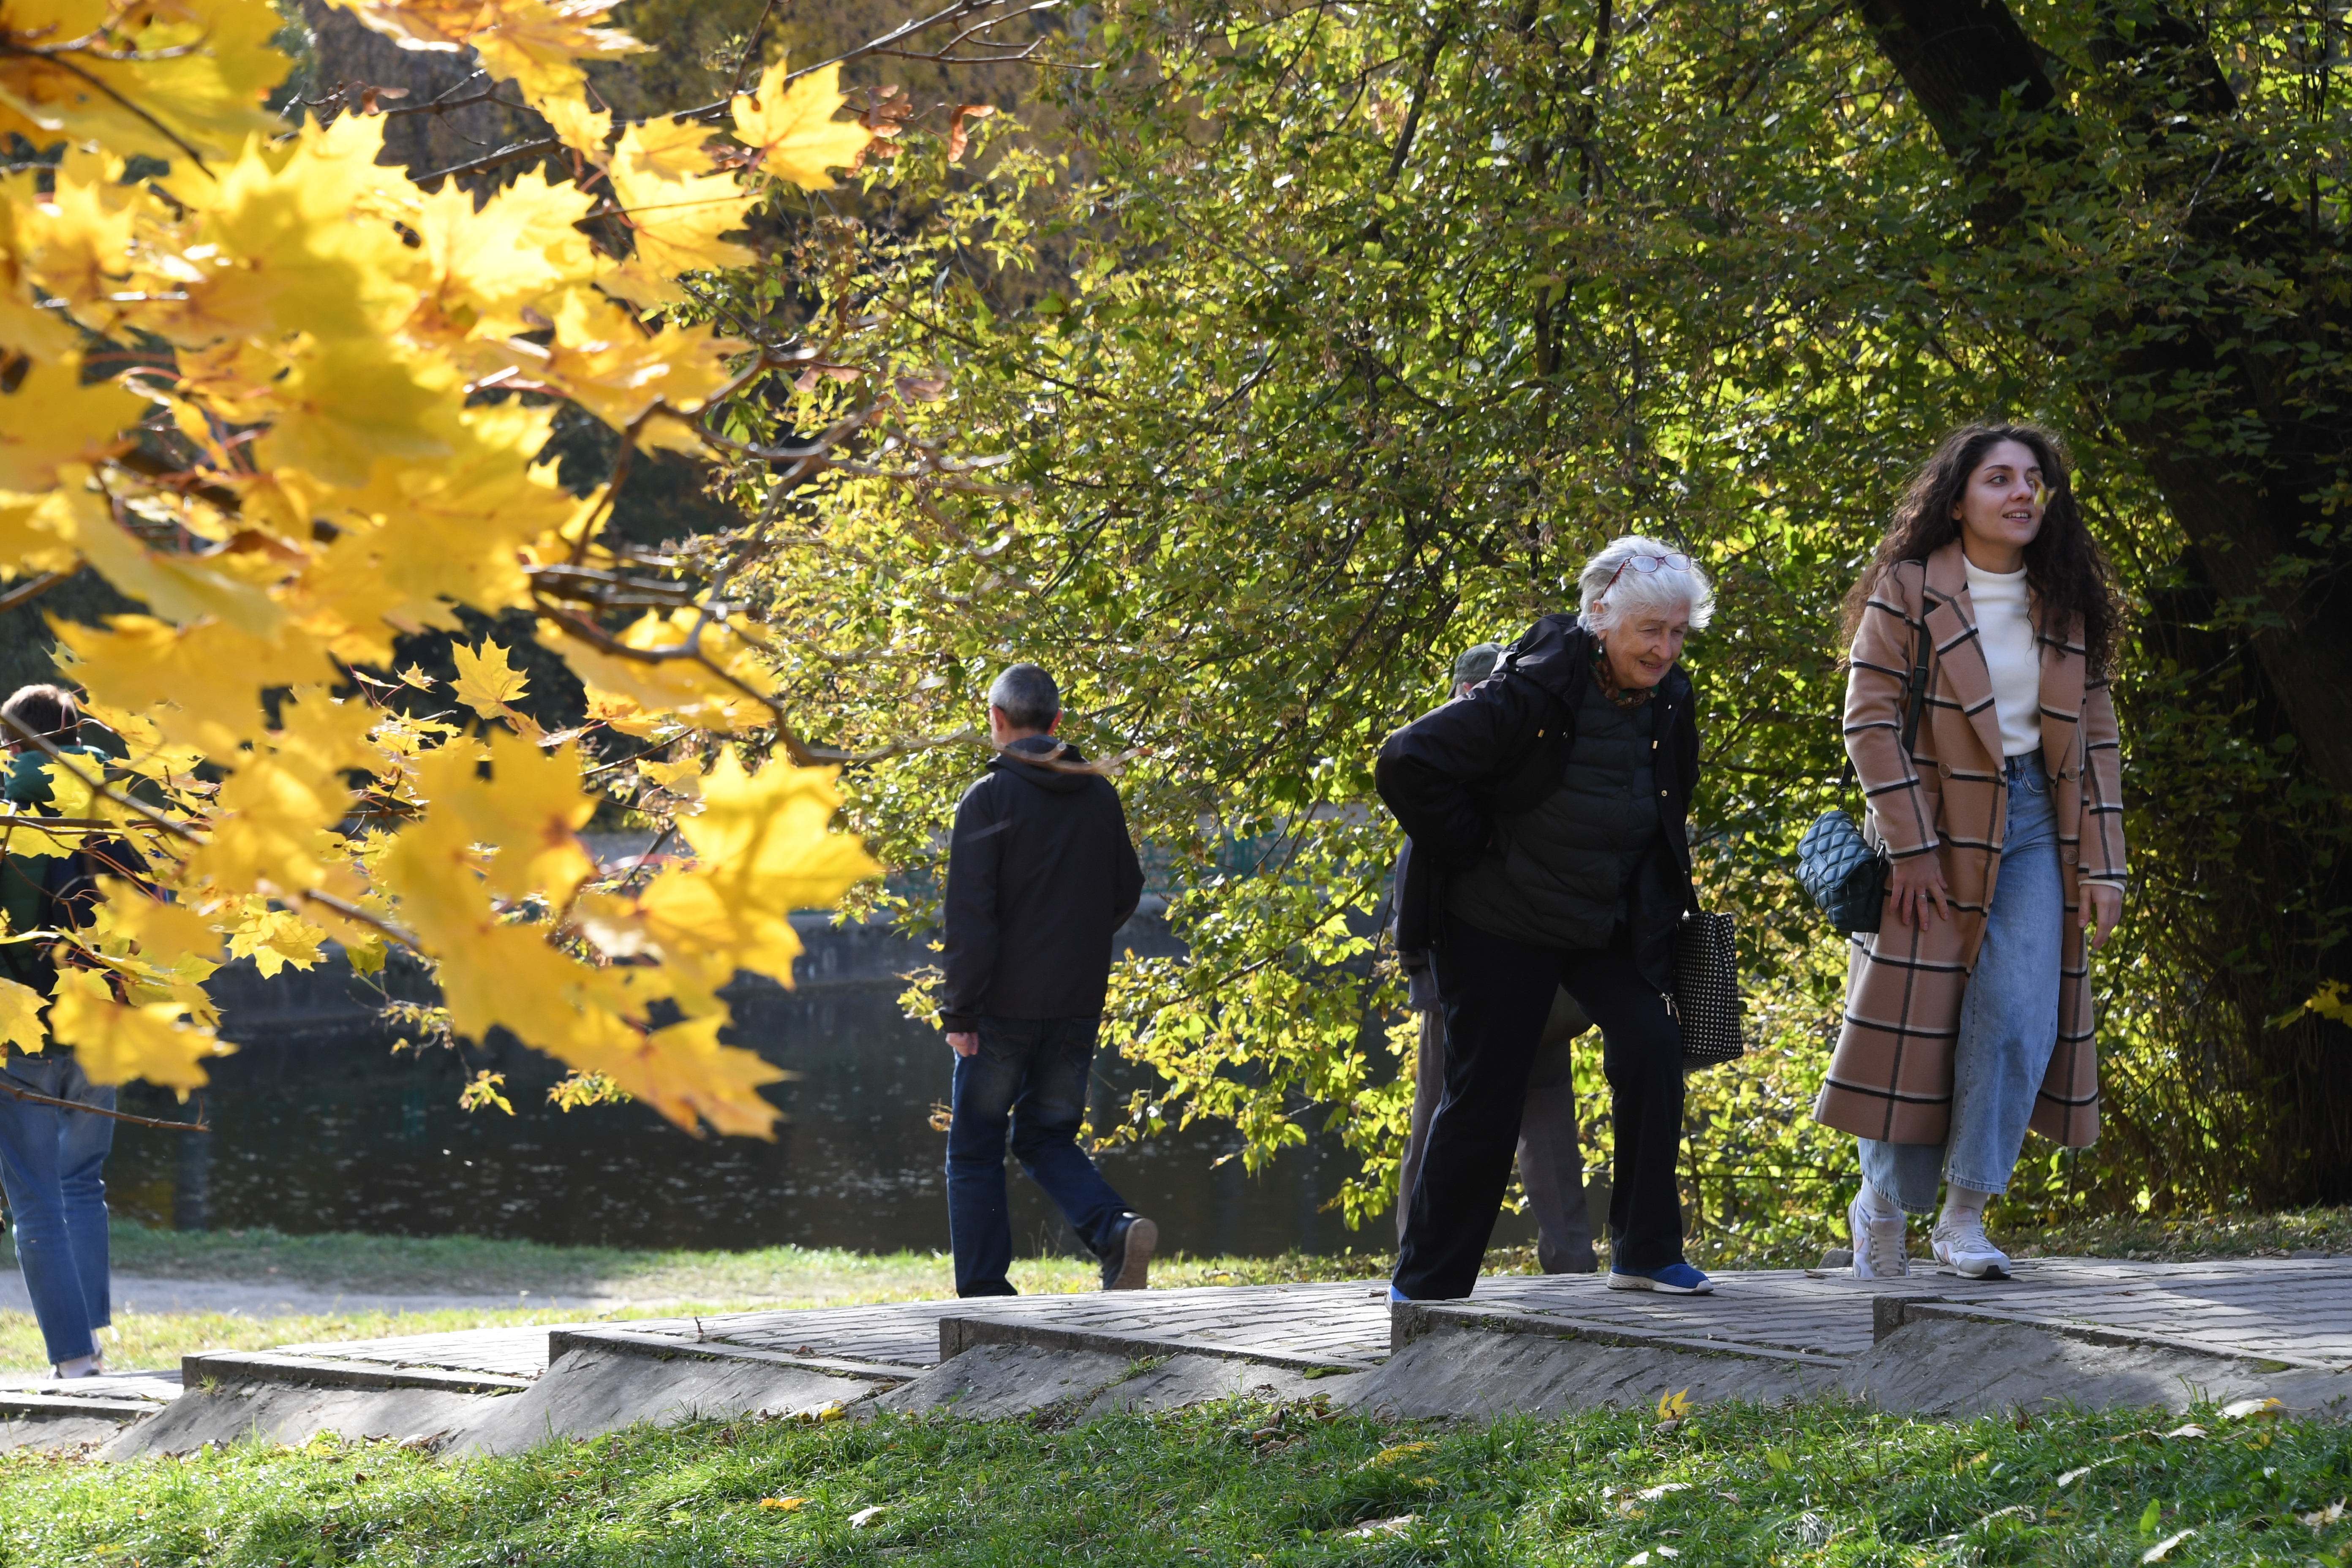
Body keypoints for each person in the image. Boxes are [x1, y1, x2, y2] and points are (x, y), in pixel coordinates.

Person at [1815, 424, 2126, 1282]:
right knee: (1918, 1021)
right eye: (2000, 479)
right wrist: (1910, 849)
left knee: (2018, 1012)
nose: (2023, 492)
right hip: (1931, 819)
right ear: (1958, 501)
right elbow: (1869, 720)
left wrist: (2104, 861)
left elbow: (2098, 739)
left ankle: (1964, 1214)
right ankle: (1881, 1201)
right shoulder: (1908, 587)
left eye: (2034, 479)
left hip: (2036, 823)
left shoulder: (2063, 600)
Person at [1378, 537, 1717, 1300]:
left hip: (1598, 919)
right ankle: (1426, 1283)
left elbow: (1665, 804)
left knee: (1655, 1047)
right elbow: (1406, 761)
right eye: (1650, 632)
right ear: (1602, 620)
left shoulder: (1671, 697)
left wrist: (1658, 911)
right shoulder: (1534, 688)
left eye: (1677, 632)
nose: (1665, 649)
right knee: (1485, 1091)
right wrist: (1475, 843)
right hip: (1498, 918)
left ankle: (1645, 1250)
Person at [939, 663, 1157, 1296]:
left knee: (976, 1146)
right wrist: (1077, 943)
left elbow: (970, 917)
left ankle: (984, 1293)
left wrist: (960, 1013)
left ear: (996, 720)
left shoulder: (987, 799)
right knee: (1044, 1134)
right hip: (1075, 1002)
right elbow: (1127, 890)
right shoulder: (1098, 795)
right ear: (1058, 722)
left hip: (1001, 1009)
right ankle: (1114, 1230)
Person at [1391, 643, 1596, 1274]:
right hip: (1528, 980)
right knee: (1541, 1121)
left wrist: (1418, 968)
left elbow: (1415, 878)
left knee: (1448, 1119)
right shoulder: (1541, 760)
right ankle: (1569, 1257)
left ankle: (1418, 1252)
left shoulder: (1452, 764)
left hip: (1483, 981)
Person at [0, 683, 118, 1378]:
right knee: (83, 1182)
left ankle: (75, 1358)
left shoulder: (9, 798)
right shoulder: (121, 797)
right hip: (102, 1012)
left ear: (13, 737)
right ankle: (93, 1340)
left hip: (22, 1021)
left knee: (35, 1196)